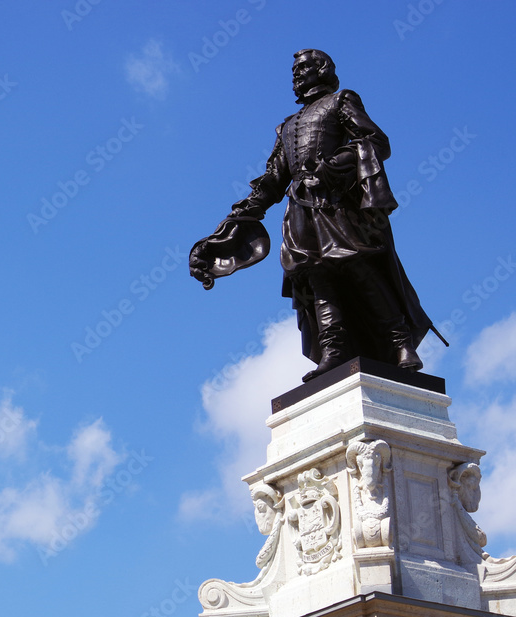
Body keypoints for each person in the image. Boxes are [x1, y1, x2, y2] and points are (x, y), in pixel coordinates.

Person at [190, 49, 445, 382]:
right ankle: (333, 351)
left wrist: (332, 166)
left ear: (323, 69)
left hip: (337, 205)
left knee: (358, 267)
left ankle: (400, 344)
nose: (297, 74)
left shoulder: (341, 101)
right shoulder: (288, 126)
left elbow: (375, 141)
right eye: (294, 69)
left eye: (304, 67)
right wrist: (239, 215)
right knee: (315, 278)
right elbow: (273, 179)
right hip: (299, 214)